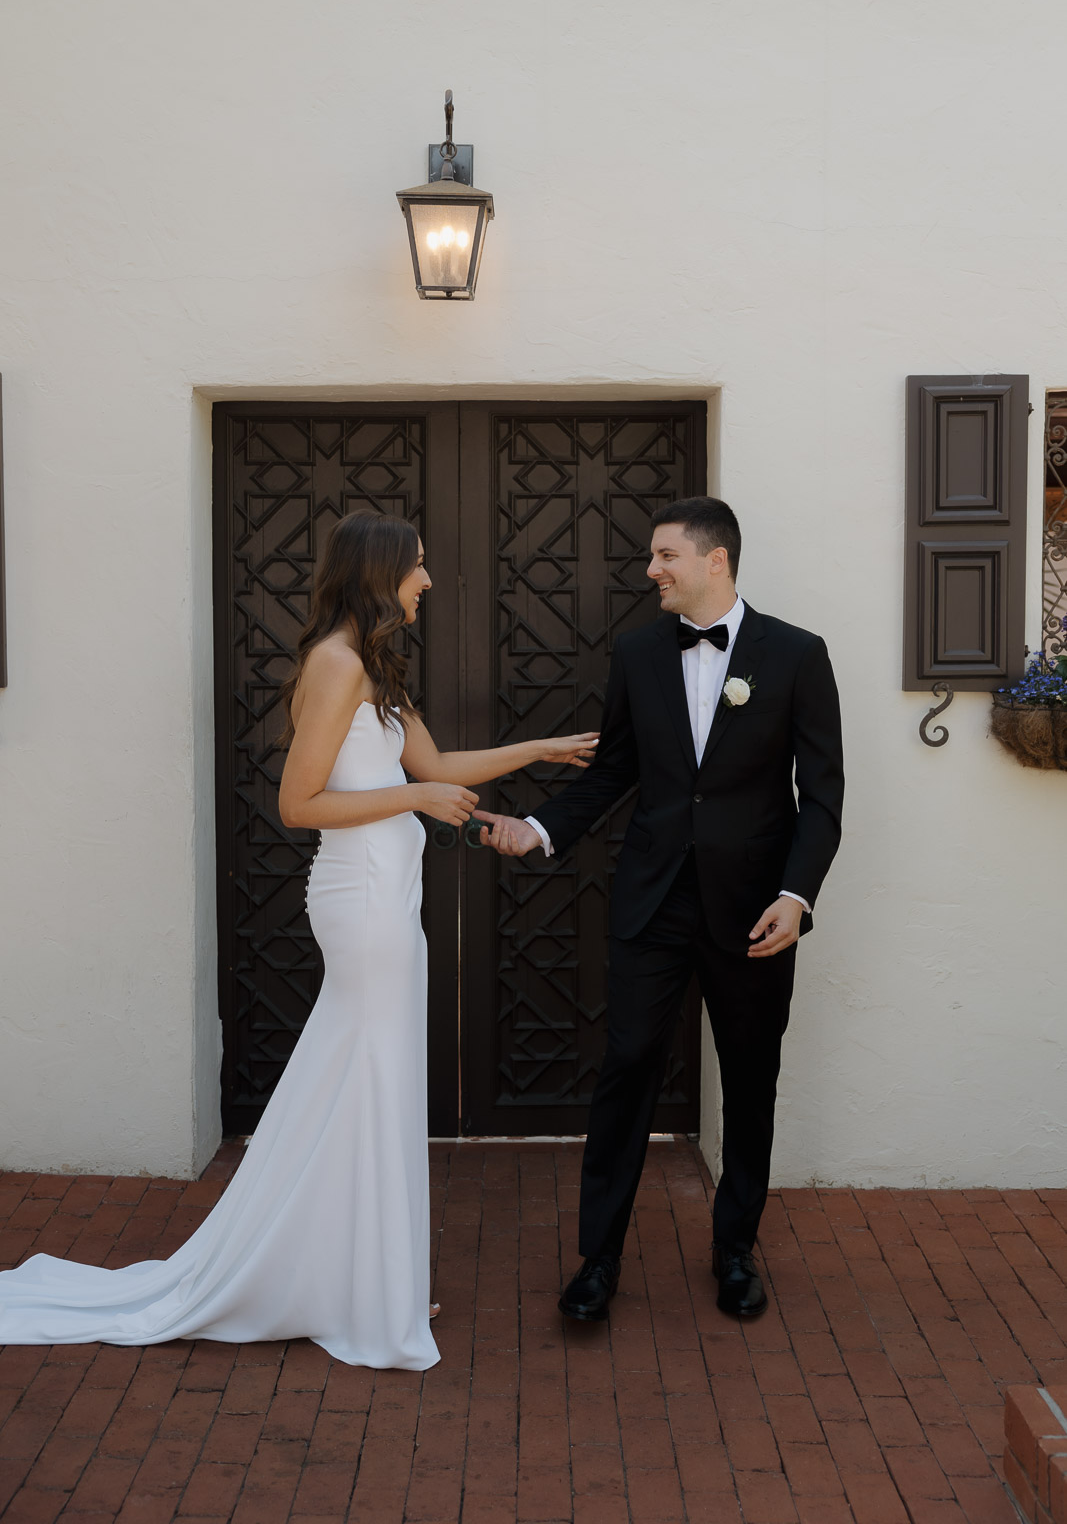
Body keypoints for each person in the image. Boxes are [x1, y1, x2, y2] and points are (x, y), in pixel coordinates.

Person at [0, 510, 596, 1370]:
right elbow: (299, 803)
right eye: (417, 565)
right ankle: (359, 1282)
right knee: (369, 1077)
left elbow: (436, 768)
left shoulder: (375, 667)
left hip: (389, 899)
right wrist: (413, 801)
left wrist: (539, 749)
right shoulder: (335, 662)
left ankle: (368, 1275)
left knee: (371, 1083)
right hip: (360, 900)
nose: (427, 580)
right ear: (379, 572)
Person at [480, 496, 844, 1323]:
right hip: (652, 901)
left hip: (754, 911)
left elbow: (821, 796)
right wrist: (539, 828)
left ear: (715, 560)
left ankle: (734, 1250)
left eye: (664, 556)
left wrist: (795, 897)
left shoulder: (796, 654)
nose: (651, 570)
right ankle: (598, 1259)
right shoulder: (639, 652)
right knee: (628, 1066)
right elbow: (615, 770)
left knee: (748, 1079)